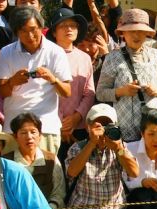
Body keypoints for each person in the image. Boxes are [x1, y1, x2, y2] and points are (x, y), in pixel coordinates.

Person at [62, 103, 157, 209]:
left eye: (108, 125)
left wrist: (118, 148)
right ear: (88, 127)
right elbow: (71, 172)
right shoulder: (77, 148)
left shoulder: (119, 147)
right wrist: (92, 143)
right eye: (99, 125)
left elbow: (134, 172)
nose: (103, 129)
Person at [0, 6, 72, 154]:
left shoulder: (56, 52)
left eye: (33, 29)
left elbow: (67, 92)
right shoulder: (6, 52)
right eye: (23, 31)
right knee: (13, 176)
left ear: (41, 27)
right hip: (13, 128)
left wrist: (53, 79)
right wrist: (12, 81)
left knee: (45, 175)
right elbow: (2, 92)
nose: (29, 35)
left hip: (45, 127)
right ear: (16, 32)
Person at [96, 8, 157, 143]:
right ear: (123, 33)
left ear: (147, 33)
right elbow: (100, 93)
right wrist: (121, 91)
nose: (136, 35)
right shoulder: (112, 57)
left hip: (153, 131)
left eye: (141, 31)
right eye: (132, 31)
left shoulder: (156, 55)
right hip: (124, 131)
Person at [46, 8, 95, 167]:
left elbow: (89, 93)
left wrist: (75, 118)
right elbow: (45, 92)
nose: (69, 29)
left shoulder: (85, 58)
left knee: (77, 174)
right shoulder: (47, 56)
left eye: (73, 26)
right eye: (63, 25)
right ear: (54, 32)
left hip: (79, 127)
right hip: (52, 127)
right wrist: (61, 123)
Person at [4, 113, 65, 209]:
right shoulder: (6, 162)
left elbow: (59, 192)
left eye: (33, 132)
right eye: (23, 133)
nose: (29, 137)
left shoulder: (51, 160)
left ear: (40, 135)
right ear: (15, 137)